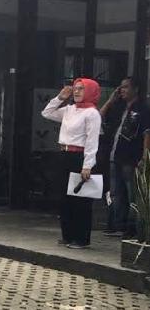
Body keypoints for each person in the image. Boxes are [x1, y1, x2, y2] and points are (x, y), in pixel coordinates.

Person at [42, 78, 102, 249]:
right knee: (64, 197)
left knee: (80, 199)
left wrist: (87, 165)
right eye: (75, 88)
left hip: (79, 156)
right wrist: (60, 98)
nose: (76, 91)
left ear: (90, 91)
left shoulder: (92, 113)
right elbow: (46, 113)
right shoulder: (70, 109)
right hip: (65, 154)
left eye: (81, 88)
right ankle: (67, 235)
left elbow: (92, 141)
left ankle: (81, 238)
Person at [100, 76, 150, 239]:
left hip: (131, 156)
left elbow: (147, 133)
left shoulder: (142, 108)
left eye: (126, 87)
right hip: (115, 155)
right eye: (121, 87)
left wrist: (145, 156)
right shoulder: (118, 107)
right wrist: (110, 101)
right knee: (115, 192)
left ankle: (132, 227)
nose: (122, 90)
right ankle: (118, 224)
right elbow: (99, 117)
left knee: (131, 193)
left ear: (135, 89)